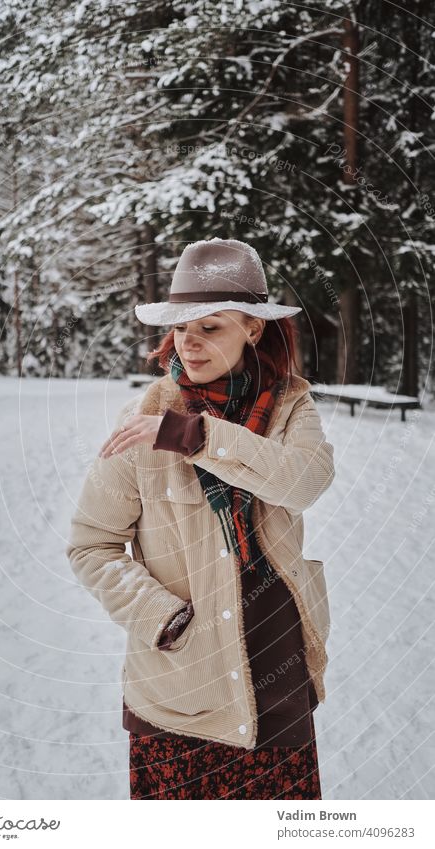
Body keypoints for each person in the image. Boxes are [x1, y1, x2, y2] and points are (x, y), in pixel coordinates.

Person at [66, 237, 335, 800]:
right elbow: (92, 544)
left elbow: (304, 480)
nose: (189, 343)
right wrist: (160, 616)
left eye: (210, 327)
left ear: (253, 328)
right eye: (181, 327)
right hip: (179, 679)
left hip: (275, 665)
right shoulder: (144, 418)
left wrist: (195, 437)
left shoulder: (289, 408)